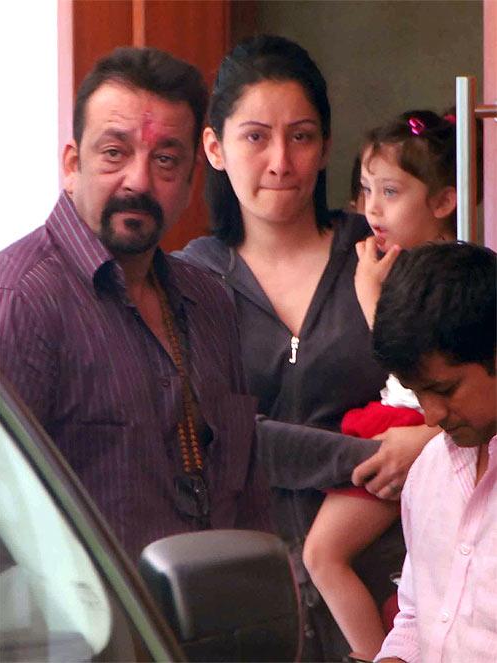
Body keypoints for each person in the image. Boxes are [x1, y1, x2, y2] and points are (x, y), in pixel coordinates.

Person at [174, 34, 434, 660]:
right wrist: (363, 458)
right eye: (255, 136)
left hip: (399, 592)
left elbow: (467, 390)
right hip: (246, 601)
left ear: (323, 147)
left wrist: (424, 441)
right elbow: (216, 435)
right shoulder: (186, 283)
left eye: (302, 136)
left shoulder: (381, 254)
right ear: (214, 147)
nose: (280, 162)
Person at [0, 46, 271, 564]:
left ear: (191, 178)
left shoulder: (209, 299)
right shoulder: (20, 301)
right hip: (89, 640)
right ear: (72, 164)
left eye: (165, 159)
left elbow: (250, 497)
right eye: (114, 153)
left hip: (215, 632)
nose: (139, 182)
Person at [303, 109, 463, 659]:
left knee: (322, 554)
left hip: (422, 422)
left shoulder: (446, 274)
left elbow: (412, 361)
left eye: (391, 191)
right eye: (367, 189)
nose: (372, 207)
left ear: (444, 201)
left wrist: (370, 296)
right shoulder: (403, 264)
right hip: (404, 421)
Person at [372, 241, 496, 663]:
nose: (430, 416)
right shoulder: (429, 473)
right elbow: (418, 616)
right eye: (417, 394)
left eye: (444, 390)